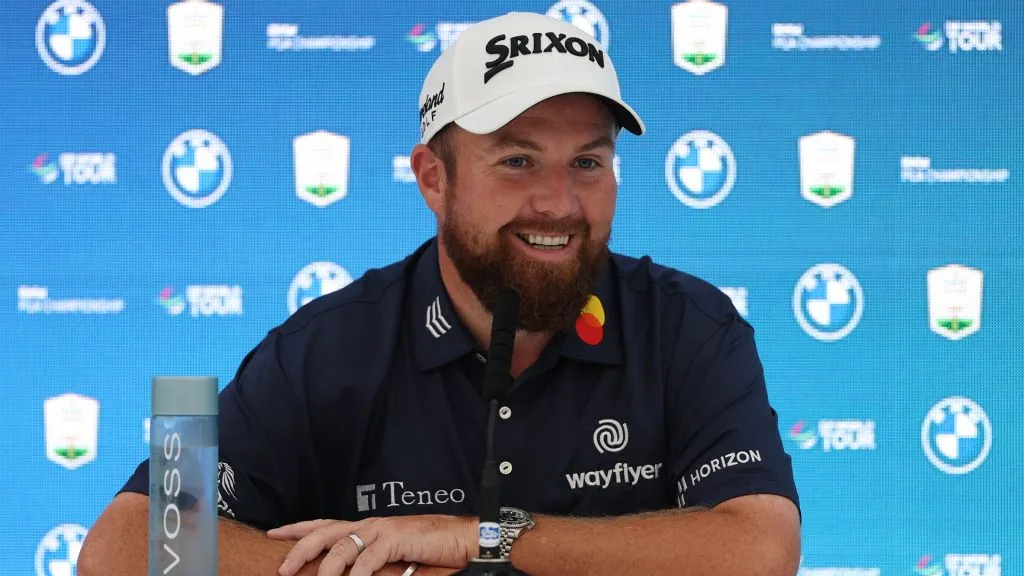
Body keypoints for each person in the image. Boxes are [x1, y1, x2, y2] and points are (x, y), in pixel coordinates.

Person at [78, 11, 800, 576]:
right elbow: (125, 543)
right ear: (432, 178)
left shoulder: (694, 324)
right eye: (517, 160)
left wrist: (479, 539)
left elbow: (761, 546)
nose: (560, 202)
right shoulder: (316, 346)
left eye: (588, 161)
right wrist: (401, 566)